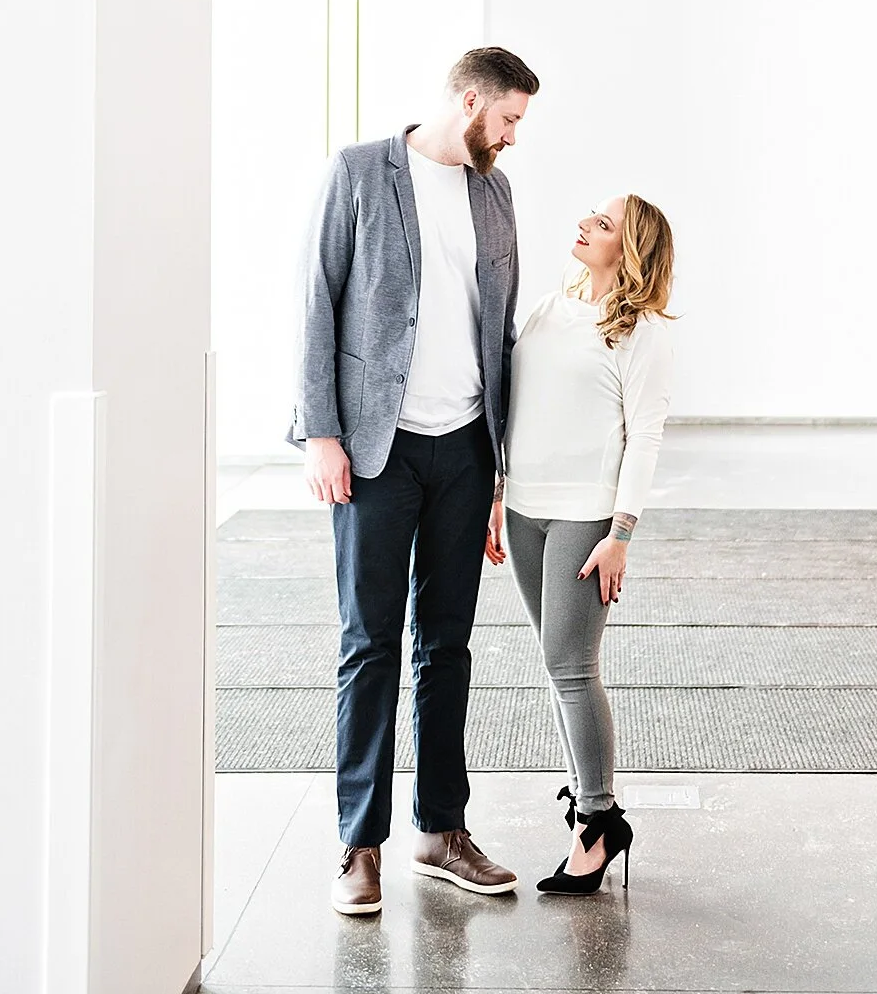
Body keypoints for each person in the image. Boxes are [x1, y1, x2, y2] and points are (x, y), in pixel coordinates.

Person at [288, 46, 540, 915]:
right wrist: (321, 431)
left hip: (466, 447)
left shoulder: (494, 193)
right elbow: (315, 299)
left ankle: (441, 829)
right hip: (374, 449)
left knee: (449, 644)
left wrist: (503, 469)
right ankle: (360, 844)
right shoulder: (360, 173)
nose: (511, 138)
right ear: (469, 101)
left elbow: (499, 331)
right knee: (369, 644)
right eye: (506, 119)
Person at [489, 193, 675, 894]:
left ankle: (597, 823)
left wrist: (620, 533)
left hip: (585, 518)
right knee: (554, 662)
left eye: (602, 223)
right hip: (526, 511)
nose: (584, 225)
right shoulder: (548, 309)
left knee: (572, 666)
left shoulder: (641, 333)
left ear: (629, 247)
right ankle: (590, 806)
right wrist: (498, 493)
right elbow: (516, 410)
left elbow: (645, 436)